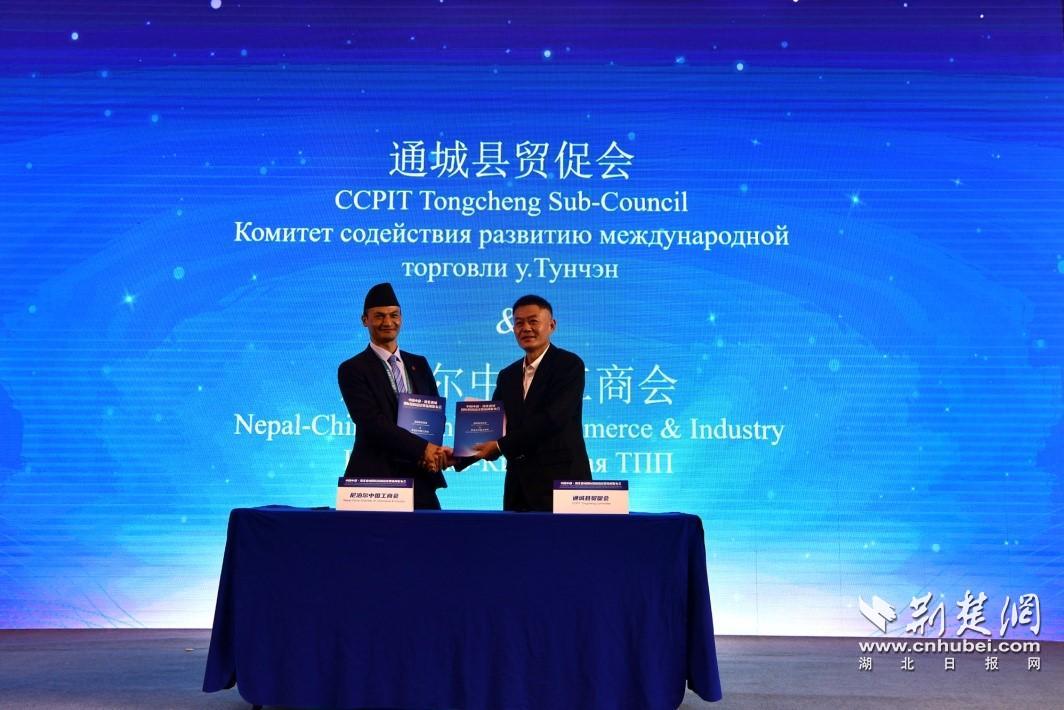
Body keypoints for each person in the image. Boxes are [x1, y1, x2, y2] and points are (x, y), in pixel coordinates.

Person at [471, 294, 591, 511]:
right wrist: (460, 454)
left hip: (561, 483)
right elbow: (494, 424)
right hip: (518, 486)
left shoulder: (568, 365)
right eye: (519, 323)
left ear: (551, 325)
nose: (525, 328)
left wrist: (500, 446)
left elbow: (552, 419)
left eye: (533, 321)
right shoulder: (507, 375)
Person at [338, 282, 449, 509]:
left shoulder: (419, 364)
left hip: (420, 476)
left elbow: (435, 415)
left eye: (394, 315)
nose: (388, 322)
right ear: (365, 320)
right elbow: (371, 423)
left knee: (432, 532)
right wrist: (423, 449)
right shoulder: (352, 369)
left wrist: (434, 453)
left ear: (402, 318)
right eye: (379, 316)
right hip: (375, 481)